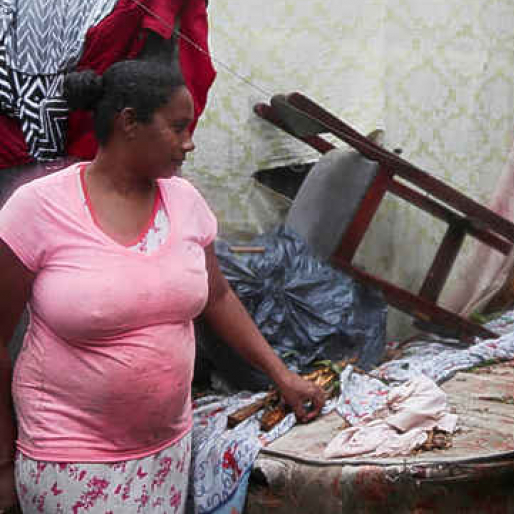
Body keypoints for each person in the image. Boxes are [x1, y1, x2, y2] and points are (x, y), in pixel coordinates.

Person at [0, 60, 326, 514]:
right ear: (128, 122)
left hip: (165, 454)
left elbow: (218, 296)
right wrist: (1, 462)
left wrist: (282, 375)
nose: (189, 144)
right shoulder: (38, 208)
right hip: (70, 459)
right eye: (178, 128)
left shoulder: (184, 200)